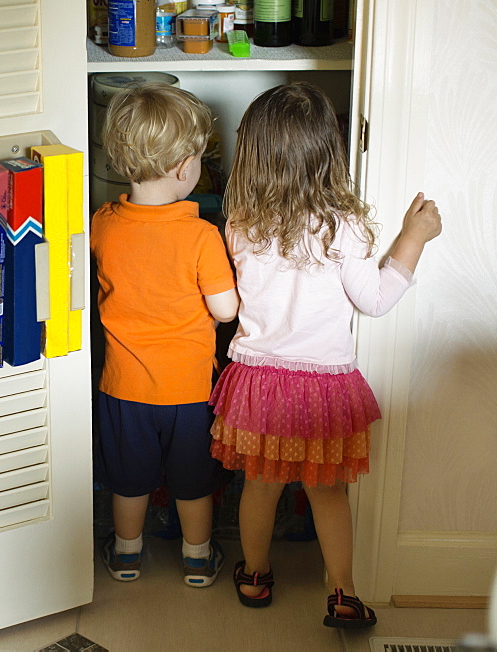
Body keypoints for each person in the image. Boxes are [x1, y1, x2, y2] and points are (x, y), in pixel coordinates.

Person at [210, 82, 442, 628]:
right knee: (329, 493)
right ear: (328, 152)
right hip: (322, 385)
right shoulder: (346, 227)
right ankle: (343, 592)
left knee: (259, 486)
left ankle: (256, 574)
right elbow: (376, 300)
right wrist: (415, 237)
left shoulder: (241, 222)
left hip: (259, 381)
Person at [91, 83, 239, 587]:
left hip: (123, 387)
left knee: (128, 481)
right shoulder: (201, 235)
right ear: (184, 169)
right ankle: (197, 558)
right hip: (189, 391)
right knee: (193, 482)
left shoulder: (104, 224)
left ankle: (126, 554)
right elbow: (224, 309)